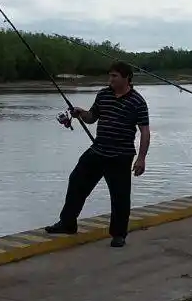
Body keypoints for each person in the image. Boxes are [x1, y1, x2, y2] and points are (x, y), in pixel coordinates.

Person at [45, 61, 150, 248]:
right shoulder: (103, 95)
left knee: (120, 196)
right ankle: (68, 223)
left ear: (127, 78)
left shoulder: (138, 101)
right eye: (109, 76)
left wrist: (141, 158)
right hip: (99, 149)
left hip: (121, 155)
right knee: (76, 180)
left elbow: (144, 131)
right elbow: (92, 117)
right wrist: (80, 113)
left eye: (114, 76)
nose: (110, 80)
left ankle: (119, 235)